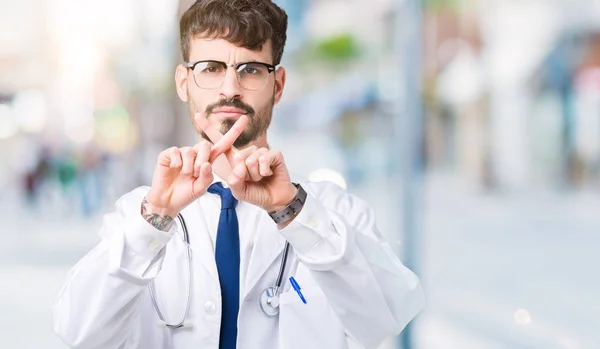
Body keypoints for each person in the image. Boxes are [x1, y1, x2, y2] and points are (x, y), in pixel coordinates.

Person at [52, 1, 424, 348]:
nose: (230, 89)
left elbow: (386, 319)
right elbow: (79, 333)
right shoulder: (140, 213)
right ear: (184, 83)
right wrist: (157, 217)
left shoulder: (331, 210)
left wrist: (292, 210)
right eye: (211, 69)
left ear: (277, 86)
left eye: (250, 69)